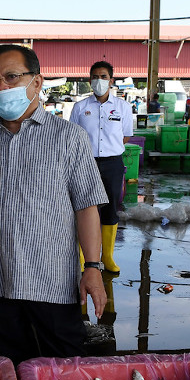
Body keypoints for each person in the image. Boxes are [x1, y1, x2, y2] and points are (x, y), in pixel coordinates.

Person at [0, 44, 109, 364]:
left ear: (37, 82)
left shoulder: (68, 137)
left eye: (11, 77)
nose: (1, 87)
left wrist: (92, 267)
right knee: (6, 373)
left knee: (63, 375)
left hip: (53, 285)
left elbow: (87, 206)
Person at [69, 60, 133, 274]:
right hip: (85, 163)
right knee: (85, 208)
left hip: (113, 164)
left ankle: (108, 257)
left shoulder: (122, 107)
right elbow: (73, 137)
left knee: (110, 207)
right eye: (95, 77)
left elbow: (125, 136)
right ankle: (83, 257)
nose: (99, 81)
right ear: (90, 81)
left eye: (103, 77)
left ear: (111, 80)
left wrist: (109, 151)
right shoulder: (80, 108)